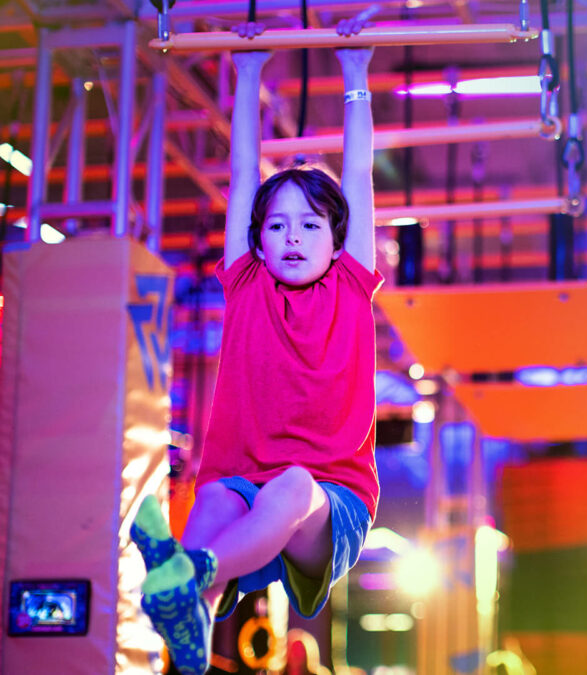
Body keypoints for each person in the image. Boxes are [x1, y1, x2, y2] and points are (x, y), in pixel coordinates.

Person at [129, 11, 383, 675]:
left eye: (310, 225)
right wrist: (246, 74)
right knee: (215, 495)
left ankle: (189, 569)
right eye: (277, 226)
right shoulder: (247, 283)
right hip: (244, 484)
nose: (293, 237)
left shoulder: (351, 285)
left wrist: (355, 73)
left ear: (339, 242)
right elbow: (244, 172)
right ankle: (192, 617)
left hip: (329, 504)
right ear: (258, 241)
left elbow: (358, 175)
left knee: (292, 483)